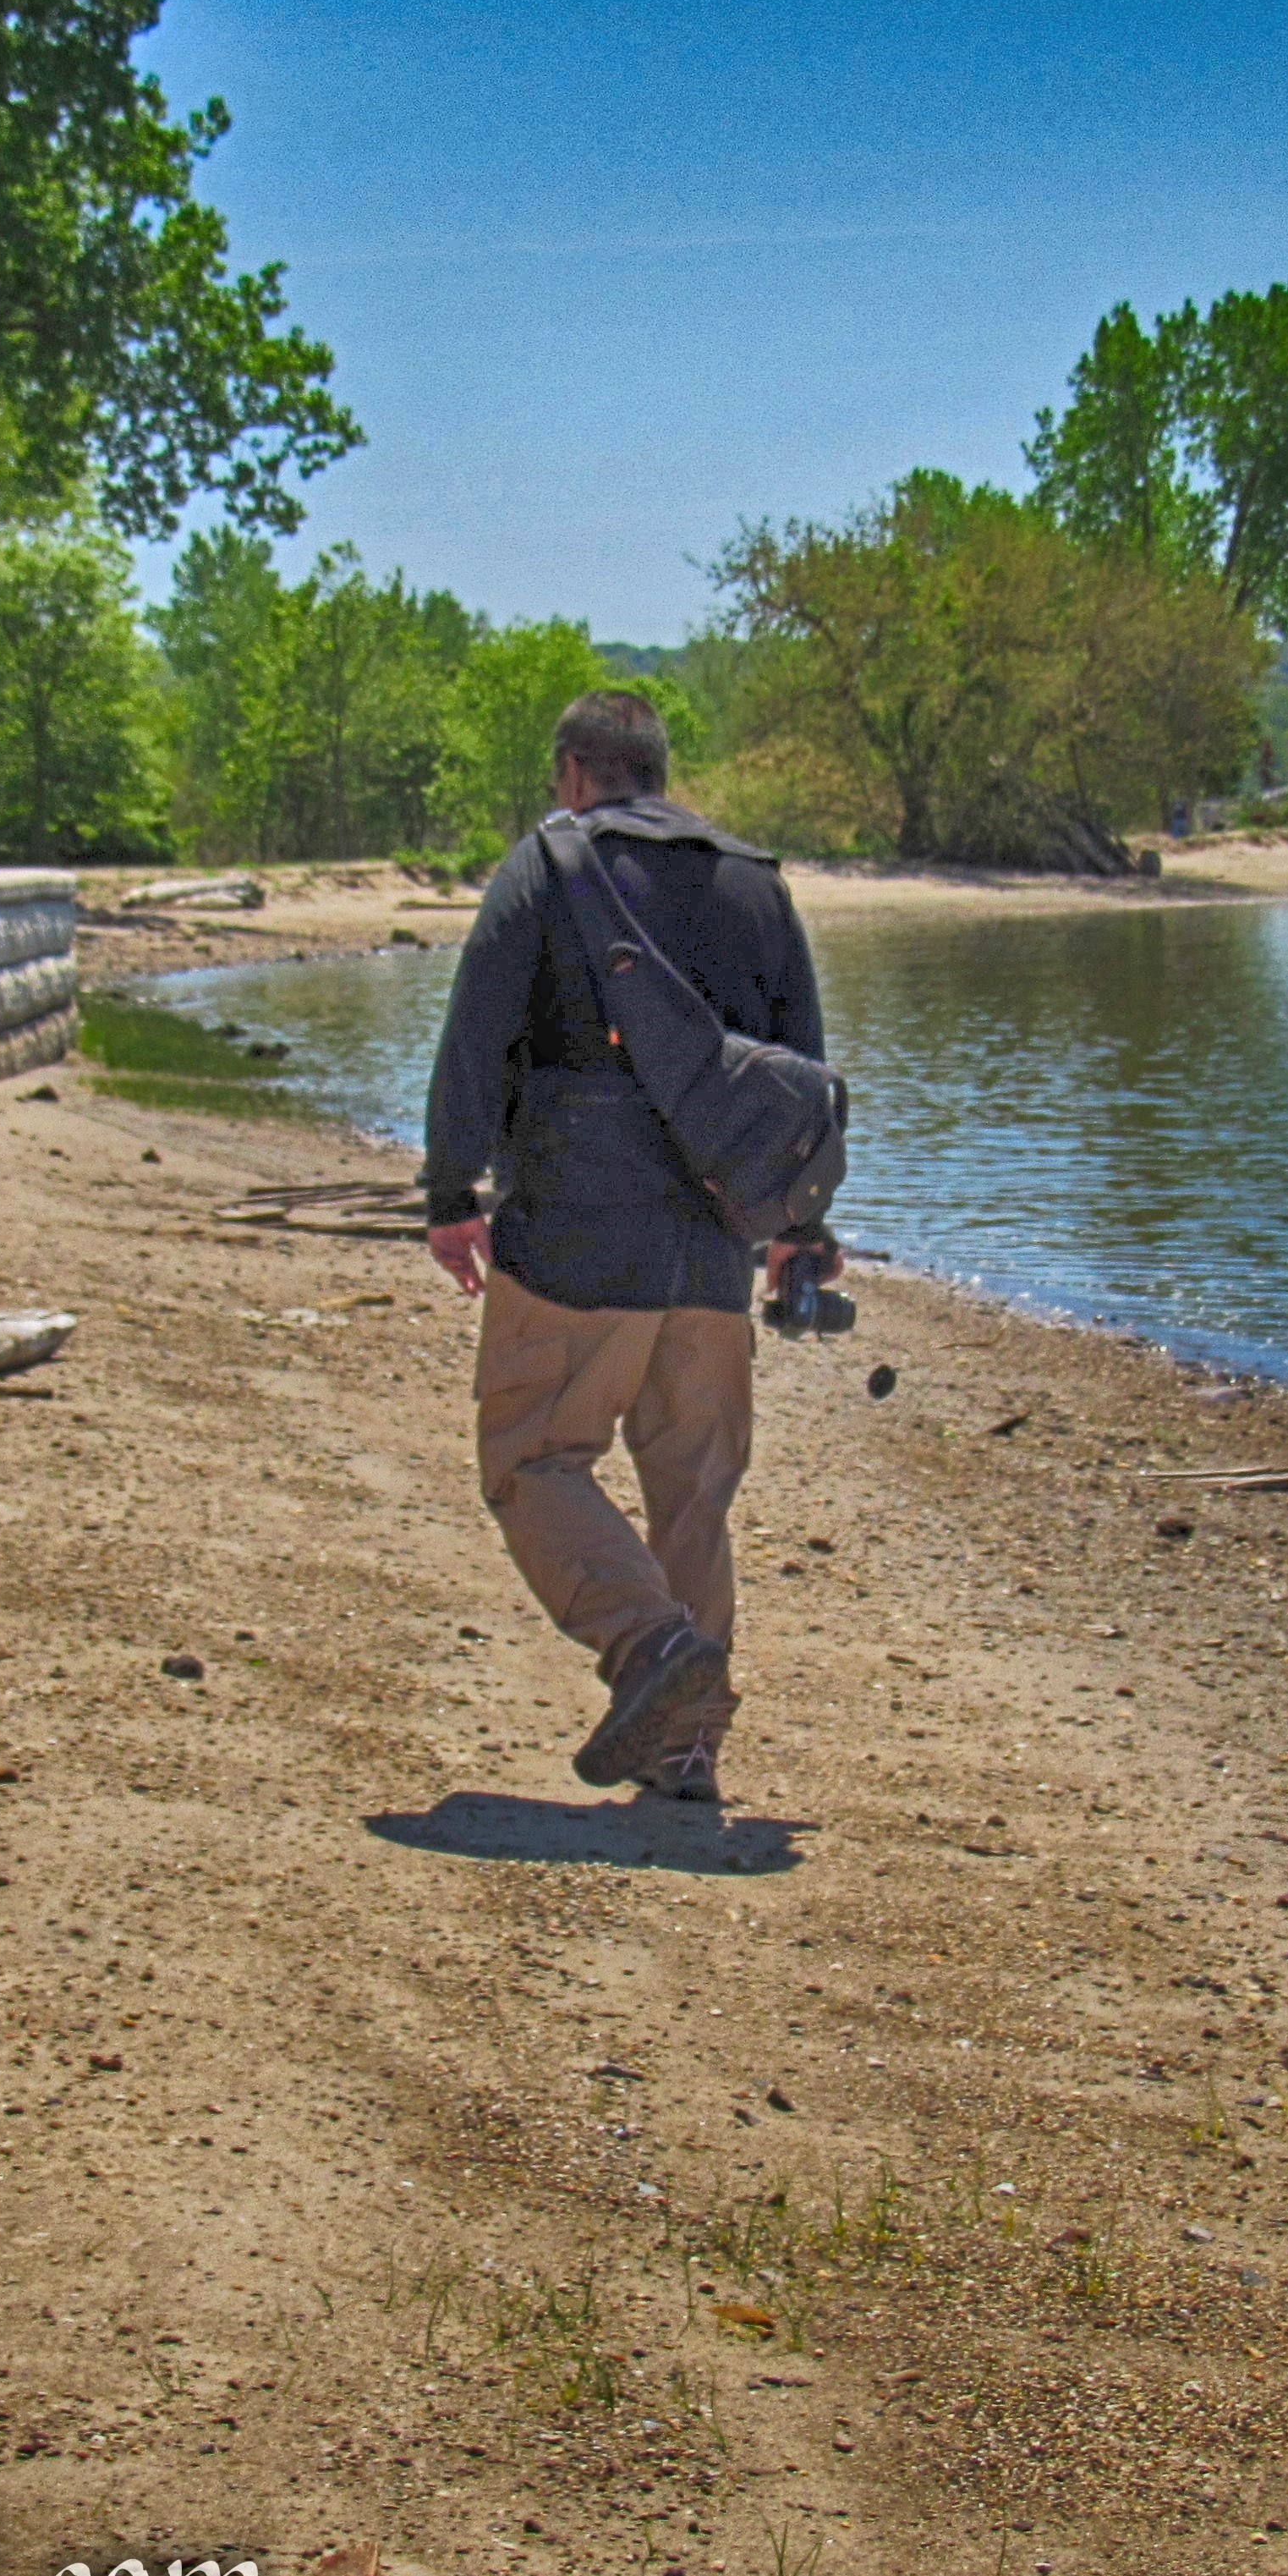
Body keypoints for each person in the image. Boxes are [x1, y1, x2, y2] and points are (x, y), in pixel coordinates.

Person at [417, 688, 828, 1805]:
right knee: (693, 1491)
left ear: (572, 773)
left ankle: (652, 1650)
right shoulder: (756, 881)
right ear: (656, 769)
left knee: (534, 1460)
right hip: (713, 1244)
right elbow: (800, 1074)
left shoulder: (544, 867)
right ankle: (687, 1752)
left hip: (573, 1234)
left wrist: (450, 1189)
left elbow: (477, 1033)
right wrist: (800, 1231)